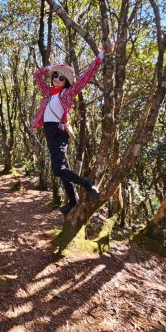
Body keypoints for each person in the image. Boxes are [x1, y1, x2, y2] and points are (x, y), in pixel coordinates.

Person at [32, 48, 107, 215]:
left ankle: (87, 184)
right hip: (49, 131)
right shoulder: (47, 93)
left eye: (61, 77)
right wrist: (50, 67)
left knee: (58, 169)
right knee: (63, 167)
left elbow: (85, 79)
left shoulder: (67, 93)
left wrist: (99, 59)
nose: (57, 79)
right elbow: (37, 75)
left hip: (59, 132)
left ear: (66, 81)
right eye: (55, 76)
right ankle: (72, 202)